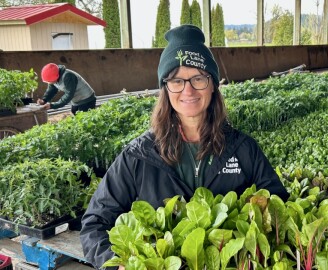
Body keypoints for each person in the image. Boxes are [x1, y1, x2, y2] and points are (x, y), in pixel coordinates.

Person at [80, 24, 289, 270]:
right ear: (165, 88)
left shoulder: (244, 150)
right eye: (177, 80)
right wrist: (118, 265)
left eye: (198, 78)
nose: (188, 90)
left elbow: (278, 207)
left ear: (213, 85)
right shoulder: (138, 156)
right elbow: (94, 223)